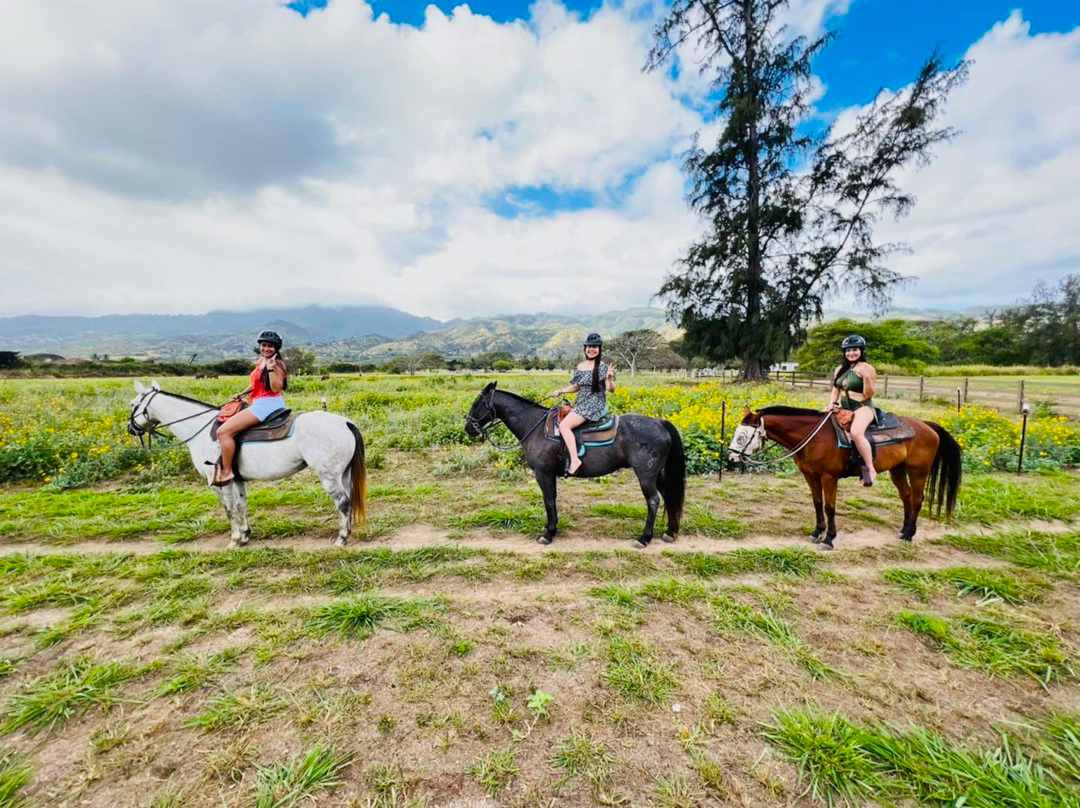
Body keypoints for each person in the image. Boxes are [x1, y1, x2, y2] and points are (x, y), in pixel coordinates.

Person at [213, 330, 288, 486]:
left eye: (270, 346)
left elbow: (276, 388)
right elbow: (256, 384)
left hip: (266, 404)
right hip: (259, 401)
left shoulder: (277, 364)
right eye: (264, 345)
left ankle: (226, 472)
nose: (266, 349)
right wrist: (241, 394)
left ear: (276, 348)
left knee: (223, 432)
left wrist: (271, 368)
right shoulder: (261, 361)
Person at [549, 333, 616, 475]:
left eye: (596, 347)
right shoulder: (580, 366)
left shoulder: (603, 367)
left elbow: (611, 390)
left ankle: (575, 460)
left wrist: (609, 379)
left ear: (599, 349)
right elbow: (577, 387)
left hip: (594, 402)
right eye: (590, 346)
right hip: (581, 402)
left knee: (564, 426)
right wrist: (560, 391)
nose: (592, 349)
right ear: (585, 348)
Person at [828, 334, 878, 486]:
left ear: (861, 351)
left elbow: (868, 394)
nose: (851, 353)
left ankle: (870, 468)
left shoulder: (866, 368)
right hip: (844, 407)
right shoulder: (840, 369)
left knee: (856, 433)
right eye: (848, 350)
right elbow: (835, 389)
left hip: (863, 407)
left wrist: (867, 379)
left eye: (855, 350)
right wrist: (832, 403)